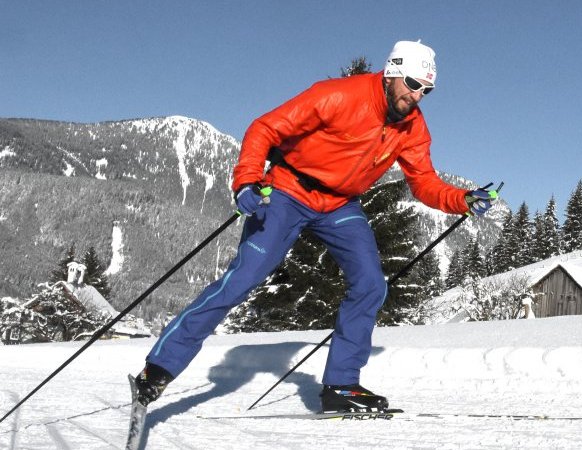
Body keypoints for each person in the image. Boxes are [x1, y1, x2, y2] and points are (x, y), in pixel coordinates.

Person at [134, 40, 499, 413]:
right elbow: (265, 129)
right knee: (242, 279)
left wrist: (462, 199)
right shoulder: (338, 96)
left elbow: (423, 181)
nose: (417, 95)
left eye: (426, 89)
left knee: (371, 284)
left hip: (340, 205)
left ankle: (340, 385)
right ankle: (158, 370)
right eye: (411, 82)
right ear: (391, 71)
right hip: (288, 191)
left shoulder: (413, 128)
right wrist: (246, 180)